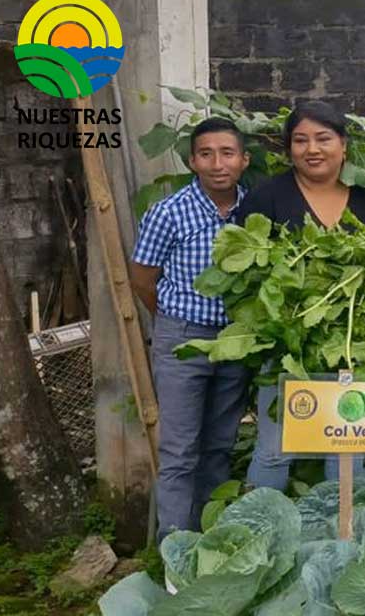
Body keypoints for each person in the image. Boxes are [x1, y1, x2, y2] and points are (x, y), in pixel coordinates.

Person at [236, 99, 365, 490]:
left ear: (343, 145)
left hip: (353, 342)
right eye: (300, 140)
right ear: (288, 148)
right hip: (287, 343)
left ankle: (342, 540)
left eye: (323, 138)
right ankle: (264, 537)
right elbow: (245, 274)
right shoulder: (266, 199)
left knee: (349, 446)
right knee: (275, 446)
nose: (312, 149)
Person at [130, 117, 251, 542]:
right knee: (179, 451)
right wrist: (171, 320)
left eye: (227, 153)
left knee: (220, 446)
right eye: (206, 154)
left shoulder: (253, 211)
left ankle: (210, 542)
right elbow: (143, 278)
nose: (217, 163)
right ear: (192, 161)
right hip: (183, 339)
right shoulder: (168, 212)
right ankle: (174, 553)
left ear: (244, 160)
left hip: (237, 342)